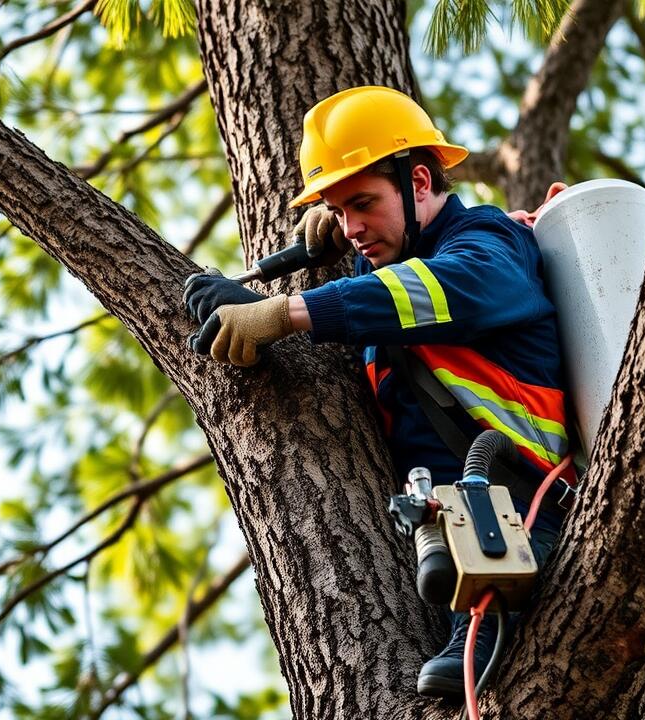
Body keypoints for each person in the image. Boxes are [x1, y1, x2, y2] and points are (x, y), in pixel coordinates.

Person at [182, 85, 576, 699]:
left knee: (472, 677)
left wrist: (286, 312)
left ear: (420, 182)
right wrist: (346, 239)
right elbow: (391, 296)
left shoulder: (490, 242)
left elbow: (439, 292)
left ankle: (486, 622)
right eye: (339, 212)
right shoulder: (390, 266)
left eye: (363, 202)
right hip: (459, 520)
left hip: (521, 512)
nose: (353, 226)